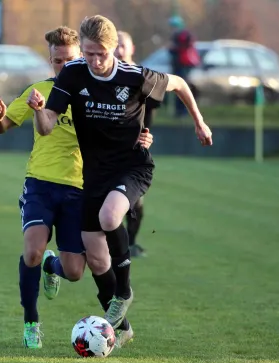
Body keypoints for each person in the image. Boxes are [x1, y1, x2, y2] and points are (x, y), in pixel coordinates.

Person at [26, 15, 212, 330]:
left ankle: (123, 293)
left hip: (132, 167)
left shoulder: (134, 76)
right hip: (94, 176)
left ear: (114, 49)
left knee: (110, 217)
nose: (95, 61)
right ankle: (122, 330)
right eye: (88, 53)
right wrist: (39, 111)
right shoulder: (72, 74)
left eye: (101, 53)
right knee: (96, 258)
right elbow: (47, 126)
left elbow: (179, 84)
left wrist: (199, 121)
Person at [0, 26, 153, 349]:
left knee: (76, 271)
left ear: (82, 57)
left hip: (80, 188)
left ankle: (54, 265)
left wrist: (143, 138)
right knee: (32, 249)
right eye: (56, 61)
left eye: (68, 60)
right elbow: (2, 126)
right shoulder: (39, 90)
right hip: (41, 183)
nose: (62, 67)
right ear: (50, 60)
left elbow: (126, 125)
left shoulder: (96, 95)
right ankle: (31, 322)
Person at [115, 30, 161, 258]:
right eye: (115, 45)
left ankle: (130, 243)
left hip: (135, 151)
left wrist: (145, 136)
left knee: (136, 204)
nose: (119, 49)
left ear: (132, 48)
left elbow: (150, 111)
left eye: (123, 44)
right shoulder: (104, 79)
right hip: (107, 151)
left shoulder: (144, 78)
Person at [167, 15, 200, 118]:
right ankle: (179, 111)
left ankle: (183, 111)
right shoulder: (176, 35)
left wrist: (174, 48)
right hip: (178, 65)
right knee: (177, 88)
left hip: (184, 65)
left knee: (182, 87)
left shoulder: (184, 35)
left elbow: (186, 47)